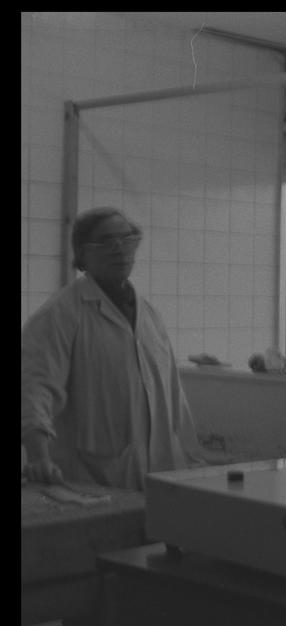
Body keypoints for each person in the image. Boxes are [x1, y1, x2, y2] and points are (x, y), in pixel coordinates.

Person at [22, 206, 207, 492]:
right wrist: (39, 457)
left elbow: (173, 398)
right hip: (91, 479)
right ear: (82, 255)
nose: (119, 249)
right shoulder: (61, 314)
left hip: (163, 476)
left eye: (127, 239)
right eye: (106, 241)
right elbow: (36, 388)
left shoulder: (150, 316)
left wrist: (194, 465)